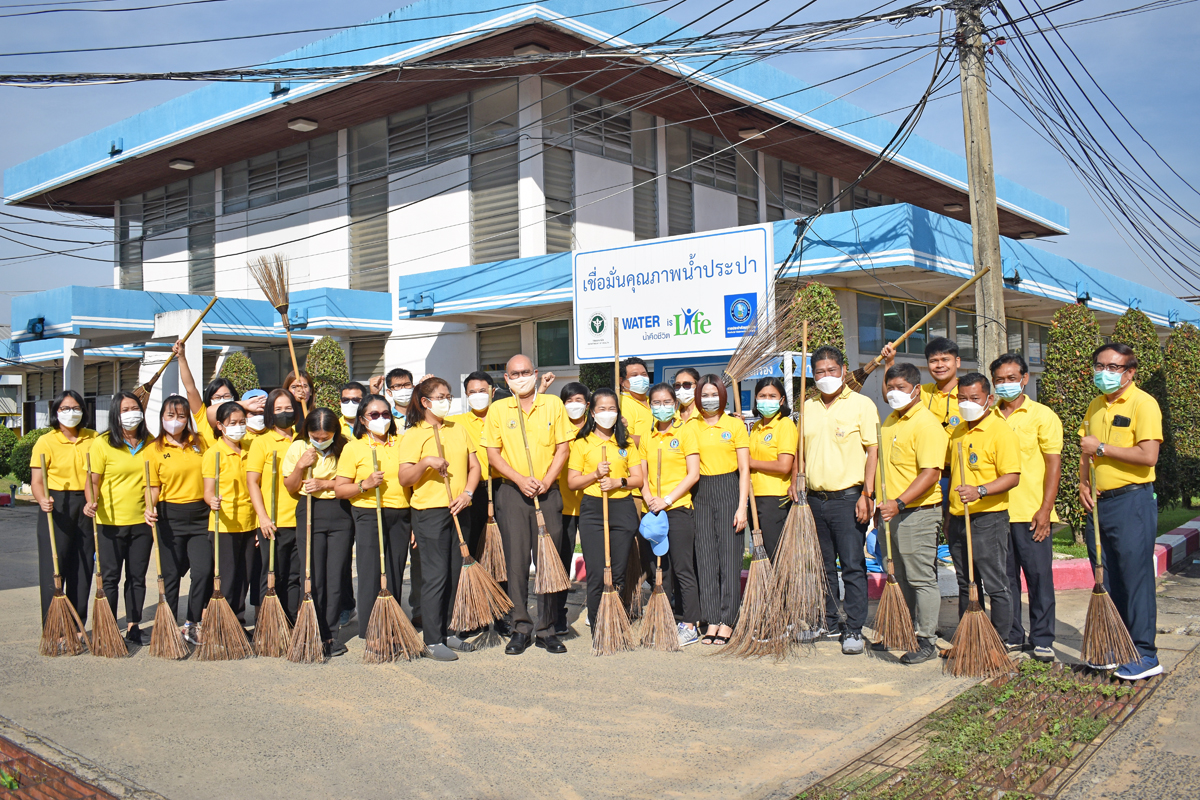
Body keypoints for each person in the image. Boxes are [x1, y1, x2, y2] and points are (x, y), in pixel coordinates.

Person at [1080, 342, 1163, 680]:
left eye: (1113, 368)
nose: (1105, 373)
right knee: (1107, 576)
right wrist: (1083, 484)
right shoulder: (1096, 404)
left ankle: (1145, 653)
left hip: (1132, 502)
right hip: (1099, 503)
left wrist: (1101, 447)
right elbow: (1085, 451)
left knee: (1134, 578)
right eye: (1100, 366)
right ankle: (1116, 645)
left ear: (1130, 372)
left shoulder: (1144, 403)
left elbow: (1148, 456)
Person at [484, 354, 573, 655]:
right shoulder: (498, 409)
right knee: (516, 563)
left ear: (535, 374)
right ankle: (520, 627)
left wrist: (546, 480)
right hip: (512, 493)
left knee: (548, 561)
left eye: (525, 372)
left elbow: (563, 448)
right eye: (514, 374)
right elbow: (493, 454)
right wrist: (520, 479)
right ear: (506, 379)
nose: (521, 378)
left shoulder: (553, 405)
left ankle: (547, 628)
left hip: (547, 493)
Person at [799, 346, 878, 655]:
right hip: (815, 499)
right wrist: (797, 480)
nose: (826, 376)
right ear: (812, 375)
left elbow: (872, 451)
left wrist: (867, 494)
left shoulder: (861, 404)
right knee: (822, 567)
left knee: (852, 565)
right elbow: (801, 452)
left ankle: (854, 627)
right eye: (820, 372)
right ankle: (828, 621)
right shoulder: (808, 407)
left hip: (849, 498)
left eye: (832, 370)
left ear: (844, 370)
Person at [398, 378, 482, 661]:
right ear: (425, 402)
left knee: (457, 572)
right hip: (430, 513)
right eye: (441, 396)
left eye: (449, 396)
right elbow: (404, 477)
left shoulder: (458, 428)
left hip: (460, 507)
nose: (447, 401)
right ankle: (433, 639)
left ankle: (450, 631)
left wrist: (468, 493)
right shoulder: (413, 435)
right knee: (436, 576)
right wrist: (426, 463)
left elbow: (474, 466)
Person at [991, 353, 1061, 664]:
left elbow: (1053, 465)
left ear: (1024, 379)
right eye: (999, 380)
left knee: (1039, 577)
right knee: (1005, 580)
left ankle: (1043, 638)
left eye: (1011, 378)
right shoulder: (989, 416)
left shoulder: (1042, 416)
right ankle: (1012, 634)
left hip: (1032, 513)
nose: (1005, 384)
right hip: (996, 512)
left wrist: (1046, 509)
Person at [878, 363, 949, 665]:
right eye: (890, 388)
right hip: (890, 513)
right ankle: (902, 631)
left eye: (901, 388)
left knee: (921, 579)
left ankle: (927, 639)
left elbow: (930, 474)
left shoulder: (927, 425)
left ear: (917, 389)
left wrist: (900, 503)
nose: (894, 393)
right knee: (900, 576)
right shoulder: (891, 420)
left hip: (916, 512)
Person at [944, 373, 1021, 647]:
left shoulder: (1001, 432)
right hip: (958, 518)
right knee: (966, 582)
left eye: (974, 398)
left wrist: (980, 490)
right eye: (962, 398)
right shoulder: (958, 430)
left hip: (988, 518)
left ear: (989, 399)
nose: (967, 403)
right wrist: (948, 516)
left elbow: (1012, 476)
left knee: (995, 582)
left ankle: (999, 641)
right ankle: (969, 638)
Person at [567, 387, 646, 630]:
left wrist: (617, 482)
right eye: (602, 408)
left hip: (622, 508)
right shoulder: (582, 443)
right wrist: (594, 475)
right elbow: (572, 482)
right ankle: (597, 623)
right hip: (593, 509)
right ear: (592, 412)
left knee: (618, 572)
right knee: (597, 571)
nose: (607, 413)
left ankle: (615, 621)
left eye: (612, 408)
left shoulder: (626, 443)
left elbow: (638, 479)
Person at [335, 393, 412, 642]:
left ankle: (392, 622)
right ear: (363, 419)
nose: (381, 419)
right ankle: (371, 629)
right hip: (369, 512)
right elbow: (340, 489)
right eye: (374, 415)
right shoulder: (353, 447)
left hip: (401, 513)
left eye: (386, 414)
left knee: (395, 569)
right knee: (370, 572)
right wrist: (364, 484)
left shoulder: (402, 442)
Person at [283, 407, 353, 657]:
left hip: (340, 511)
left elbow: (353, 480)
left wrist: (325, 483)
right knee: (312, 573)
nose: (321, 441)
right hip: (310, 510)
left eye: (326, 437)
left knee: (335, 575)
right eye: (316, 437)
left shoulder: (346, 446)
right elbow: (290, 487)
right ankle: (311, 630)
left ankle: (331, 634)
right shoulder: (298, 447)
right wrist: (301, 466)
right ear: (308, 432)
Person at [85, 392, 153, 646]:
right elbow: (93, 481)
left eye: (135, 408)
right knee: (110, 577)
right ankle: (108, 626)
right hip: (109, 522)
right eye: (125, 409)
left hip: (142, 521)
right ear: (116, 413)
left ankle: (134, 625)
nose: (131, 413)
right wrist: (91, 501)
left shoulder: (150, 442)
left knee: (137, 577)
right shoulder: (102, 443)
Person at [145, 395, 210, 645]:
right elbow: (152, 487)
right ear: (162, 417)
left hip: (201, 514)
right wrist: (148, 508)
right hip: (169, 516)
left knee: (203, 571)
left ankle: (192, 623)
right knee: (170, 575)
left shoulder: (200, 442)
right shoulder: (154, 449)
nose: (176, 420)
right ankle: (168, 625)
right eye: (170, 415)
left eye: (181, 416)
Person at [30, 390, 97, 627]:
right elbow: (37, 481)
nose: (71, 412)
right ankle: (54, 627)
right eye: (65, 408)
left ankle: (77, 625)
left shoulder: (93, 438)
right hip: (56, 505)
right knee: (54, 567)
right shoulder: (46, 441)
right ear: (56, 412)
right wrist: (42, 499)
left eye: (76, 408)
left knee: (83, 565)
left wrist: (94, 500)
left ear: (83, 411)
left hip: (87, 504)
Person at [692, 374, 749, 646]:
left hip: (729, 489)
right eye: (704, 394)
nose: (709, 399)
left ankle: (727, 620)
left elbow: (745, 469)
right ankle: (712, 618)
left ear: (723, 396)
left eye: (714, 394)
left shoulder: (735, 425)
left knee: (729, 559)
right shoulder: (692, 426)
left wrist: (742, 507)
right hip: (701, 492)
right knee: (706, 559)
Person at [642, 382, 701, 646]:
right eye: (656, 403)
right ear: (650, 405)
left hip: (677, 509)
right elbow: (642, 474)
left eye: (667, 402)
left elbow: (693, 474)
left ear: (675, 404)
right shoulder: (648, 435)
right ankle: (664, 619)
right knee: (660, 569)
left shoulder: (686, 431)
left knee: (682, 568)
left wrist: (666, 500)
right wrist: (649, 499)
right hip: (653, 511)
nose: (662, 407)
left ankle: (690, 624)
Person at [247, 389, 304, 622]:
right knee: (272, 575)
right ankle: (268, 624)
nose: (284, 413)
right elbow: (252, 482)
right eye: (278, 409)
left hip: (300, 519)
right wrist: (262, 517)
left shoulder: (303, 440)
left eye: (288, 408)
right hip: (273, 521)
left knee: (294, 576)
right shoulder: (261, 442)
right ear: (270, 413)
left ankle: (290, 623)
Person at [201, 402, 258, 631]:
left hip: (249, 522)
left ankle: (238, 623)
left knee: (244, 576)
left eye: (242, 422)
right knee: (227, 576)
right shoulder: (213, 454)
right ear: (220, 425)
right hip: (224, 524)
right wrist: (211, 501)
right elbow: (207, 491)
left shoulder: (251, 448)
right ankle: (221, 625)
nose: (238, 426)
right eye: (232, 423)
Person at [374, 367, 422, 624]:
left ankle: (421, 611)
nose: (403, 390)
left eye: (407, 385)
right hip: (394, 499)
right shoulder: (384, 419)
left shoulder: (422, 415)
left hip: (422, 496)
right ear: (389, 391)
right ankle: (388, 614)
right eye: (397, 386)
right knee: (392, 561)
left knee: (421, 559)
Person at [173, 341, 266, 448]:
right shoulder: (202, 416)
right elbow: (190, 389)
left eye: (226, 396)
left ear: (234, 397)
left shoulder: (241, 419)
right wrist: (182, 358)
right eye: (217, 397)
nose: (222, 400)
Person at [748, 377, 796, 560]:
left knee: (776, 554)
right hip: (755, 497)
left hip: (775, 498)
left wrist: (751, 463)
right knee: (762, 556)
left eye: (772, 396)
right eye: (762, 396)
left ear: (782, 400)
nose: (767, 400)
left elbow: (784, 465)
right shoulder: (756, 427)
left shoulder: (785, 425)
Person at [557, 381, 590, 635]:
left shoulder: (598, 428)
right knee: (561, 561)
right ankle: (558, 613)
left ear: (587, 404)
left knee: (597, 560)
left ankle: (597, 608)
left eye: (578, 400)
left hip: (591, 505)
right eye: (569, 401)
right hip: (563, 506)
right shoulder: (557, 429)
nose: (574, 405)